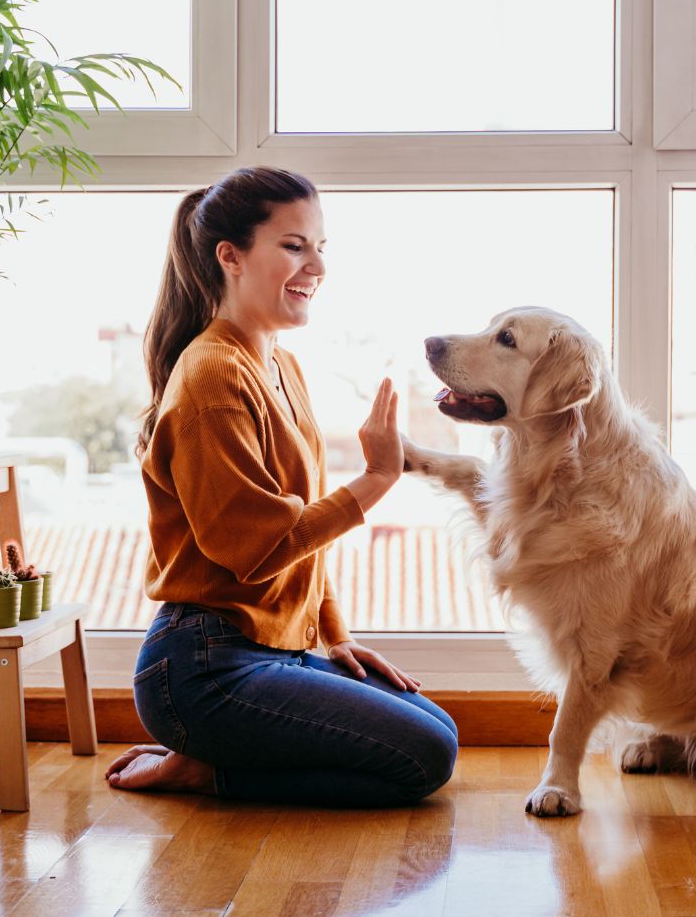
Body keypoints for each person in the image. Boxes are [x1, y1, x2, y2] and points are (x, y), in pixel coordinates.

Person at [105, 166, 458, 807]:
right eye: (294, 246)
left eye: (321, 247)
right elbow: (258, 549)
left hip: (272, 648)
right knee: (425, 758)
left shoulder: (278, 363)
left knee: (439, 729)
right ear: (230, 257)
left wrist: (334, 634)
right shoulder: (212, 377)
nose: (316, 266)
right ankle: (204, 769)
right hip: (203, 666)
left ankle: (211, 758)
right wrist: (379, 477)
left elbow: (300, 540)